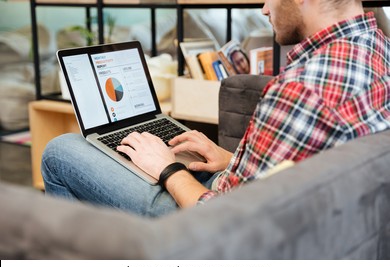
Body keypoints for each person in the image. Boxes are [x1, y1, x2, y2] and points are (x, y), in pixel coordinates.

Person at [42, 0, 390, 217]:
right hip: (298, 205)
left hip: (219, 225)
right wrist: (229, 159)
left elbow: (226, 217)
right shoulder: (377, 48)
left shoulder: (300, 89)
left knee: (61, 152)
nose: (264, 9)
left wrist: (167, 169)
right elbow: (292, 162)